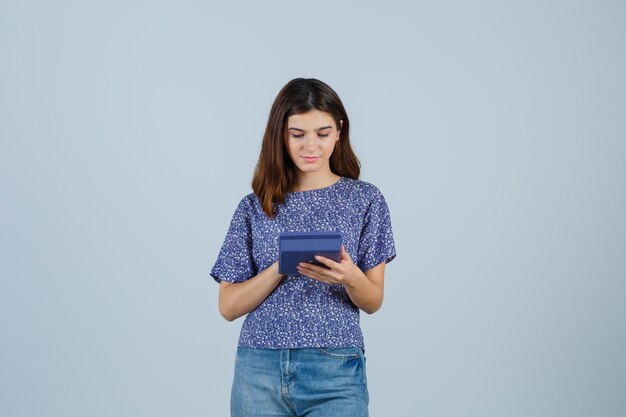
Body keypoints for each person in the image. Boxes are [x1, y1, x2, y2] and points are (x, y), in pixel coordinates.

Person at [210, 78, 396, 417]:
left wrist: (349, 276)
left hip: (335, 369)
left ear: (339, 131)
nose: (311, 146)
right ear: (280, 134)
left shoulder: (365, 200)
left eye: (322, 134)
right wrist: (280, 267)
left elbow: (374, 301)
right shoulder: (254, 207)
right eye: (298, 134)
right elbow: (228, 306)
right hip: (259, 367)